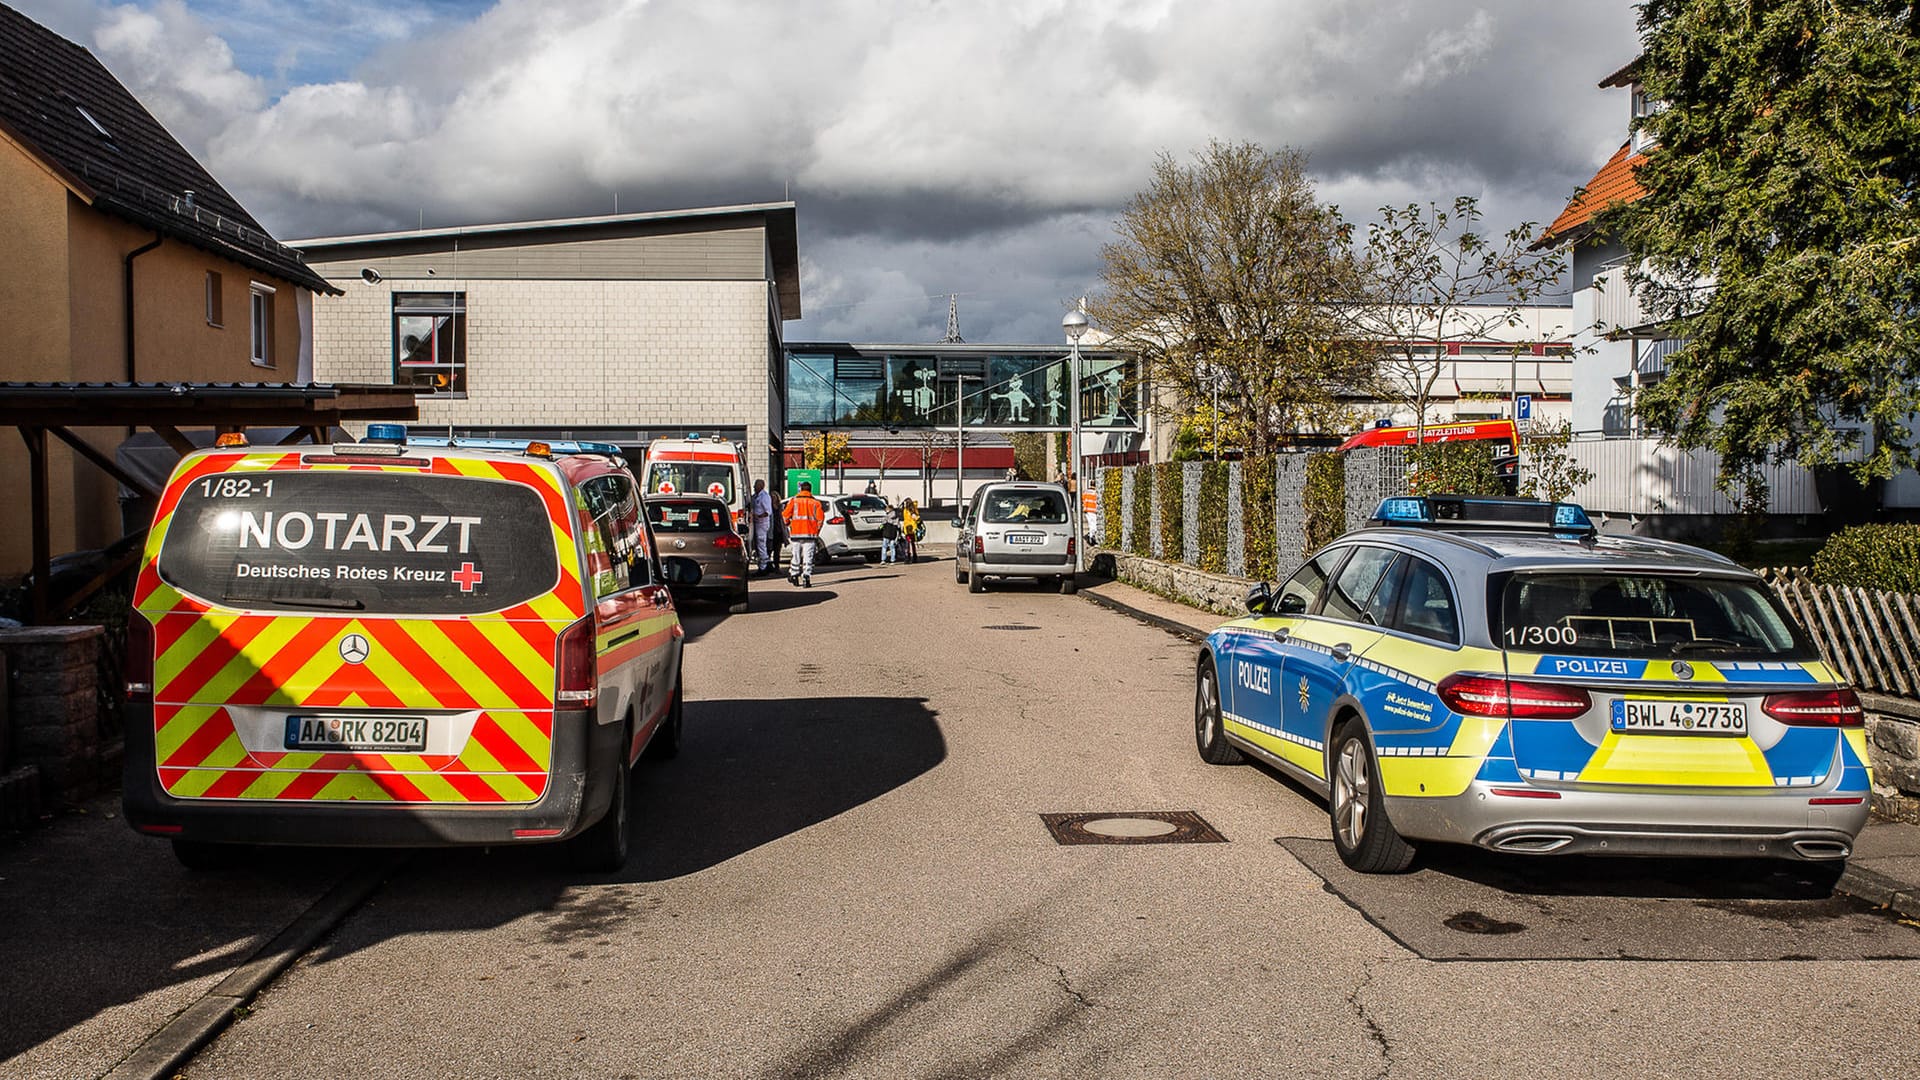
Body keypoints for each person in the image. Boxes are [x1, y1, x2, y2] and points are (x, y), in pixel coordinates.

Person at [782, 480, 825, 587]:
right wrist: (817, 531)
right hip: (810, 534)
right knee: (808, 556)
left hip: (796, 533)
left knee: (795, 555)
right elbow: (820, 519)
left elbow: (785, 516)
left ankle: (794, 574)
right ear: (810, 490)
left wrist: (788, 524)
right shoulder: (816, 503)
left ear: (801, 489)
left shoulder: (793, 501)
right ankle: (806, 576)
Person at [749, 478, 775, 575]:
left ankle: (763, 567)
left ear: (761, 486)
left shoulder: (764, 497)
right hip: (756, 523)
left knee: (761, 545)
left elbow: (768, 512)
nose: (754, 487)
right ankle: (767, 564)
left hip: (762, 524)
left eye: (756, 485)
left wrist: (758, 516)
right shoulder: (755, 496)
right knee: (758, 545)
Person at [900, 497, 920, 563]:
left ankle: (909, 557)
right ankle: (912, 556)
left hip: (911, 529)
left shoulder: (911, 510)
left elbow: (915, 517)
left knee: (909, 543)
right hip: (908, 528)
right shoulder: (906, 510)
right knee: (909, 543)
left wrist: (916, 518)